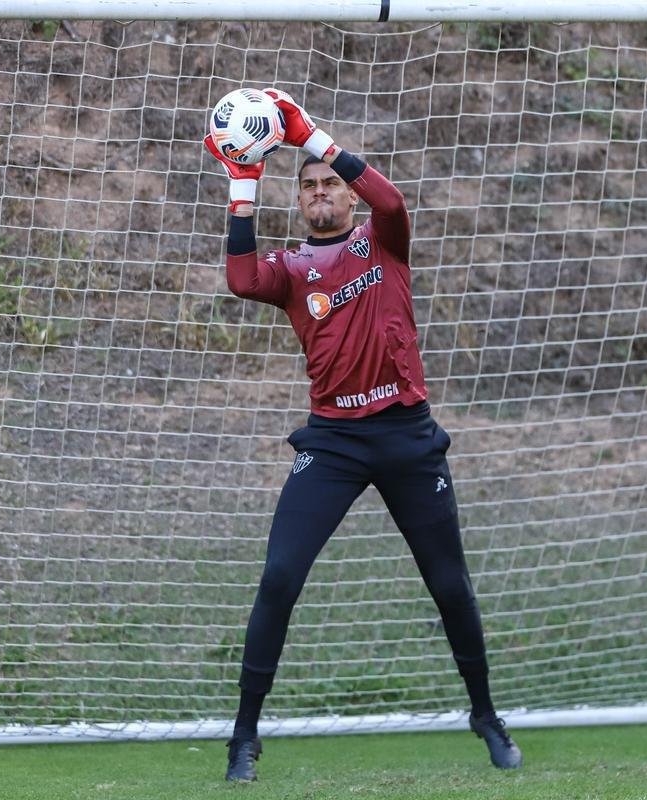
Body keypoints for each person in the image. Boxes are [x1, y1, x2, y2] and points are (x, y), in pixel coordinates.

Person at [203, 88, 522, 783]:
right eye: (310, 188)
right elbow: (237, 277)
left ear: (347, 198)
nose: (322, 194)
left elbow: (395, 200)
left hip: (407, 437)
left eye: (330, 186)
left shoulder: (383, 238)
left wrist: (312, 138)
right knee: (279, 576)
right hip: (333, 443)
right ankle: (244, 737)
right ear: (301, 204)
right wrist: (242, 180)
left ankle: (485, 716)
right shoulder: (289, 270)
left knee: (449, 586)